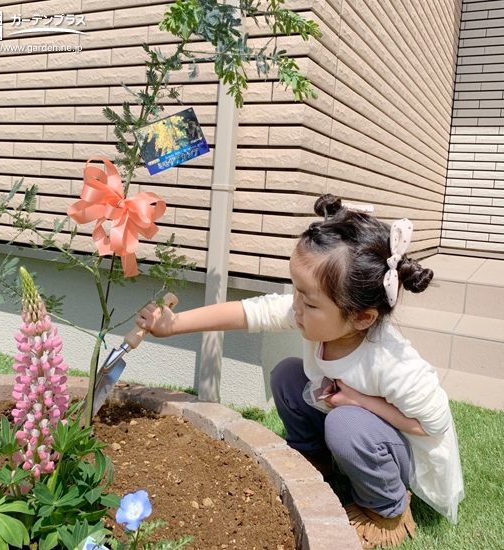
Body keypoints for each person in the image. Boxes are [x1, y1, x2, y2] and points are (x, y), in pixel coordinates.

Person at [136, 194, 464, 549]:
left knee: (346, 423)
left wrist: (360, 401)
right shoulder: (317, 316)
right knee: (288, 376)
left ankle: (386, 507)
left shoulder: (393, 362)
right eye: (296, 292)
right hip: (353, 421)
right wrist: (174, 324)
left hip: (399, 453)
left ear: (362, 318)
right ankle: (315, 461)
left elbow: (430, 426)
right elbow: (250, 312)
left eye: (308, 301)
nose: (295, 307)